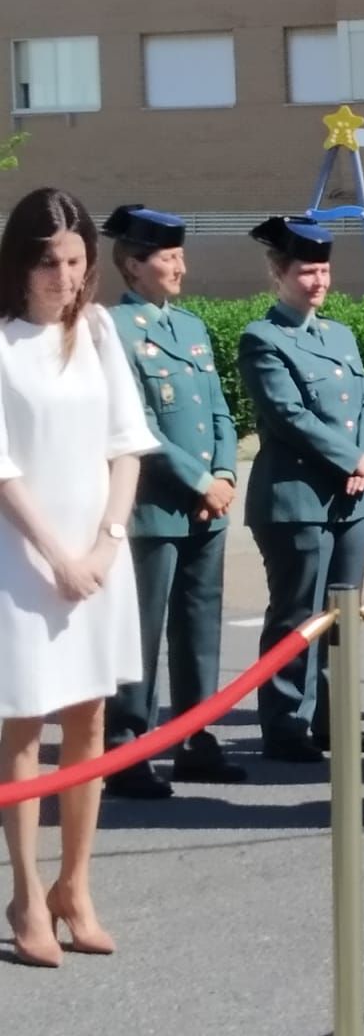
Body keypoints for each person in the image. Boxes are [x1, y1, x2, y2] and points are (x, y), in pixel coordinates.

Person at [0, 187, 159, 967]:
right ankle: (27, 894)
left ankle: (76, 885)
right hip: (24, 563)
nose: (64, 278)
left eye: (75, 262)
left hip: (99, 558)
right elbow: (1, 471)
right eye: (49, 263)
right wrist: (57, 556)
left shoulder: (97, 331)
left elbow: (126, 443)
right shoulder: (0, 344)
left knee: (89, 723)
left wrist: (104, 543)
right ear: (21, 266)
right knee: (25, 723)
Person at [101, 205, 245, 798]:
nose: (181, 267)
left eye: (181, 256)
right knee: (142, 630)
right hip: (151, 506)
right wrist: (198, 480)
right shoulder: (110, 328)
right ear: (134, 265)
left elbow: (218, 410)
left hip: (206, 505)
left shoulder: (190, 327)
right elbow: (133, 425)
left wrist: (226, 474)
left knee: (198, 627)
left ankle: (195, 739)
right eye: (168, 257)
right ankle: (128, 747)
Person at [238, 217, 364, 764]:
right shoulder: (263, 338)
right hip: (297, 499)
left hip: (352, 497)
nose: (318, 281)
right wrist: (353, 458)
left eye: (323, 270)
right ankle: (285, 722)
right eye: (305, 271)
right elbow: (288, 416)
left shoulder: (339, 335)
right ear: (279, 273)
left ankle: (334, 717)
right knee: (297, 614)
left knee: (344, 612)